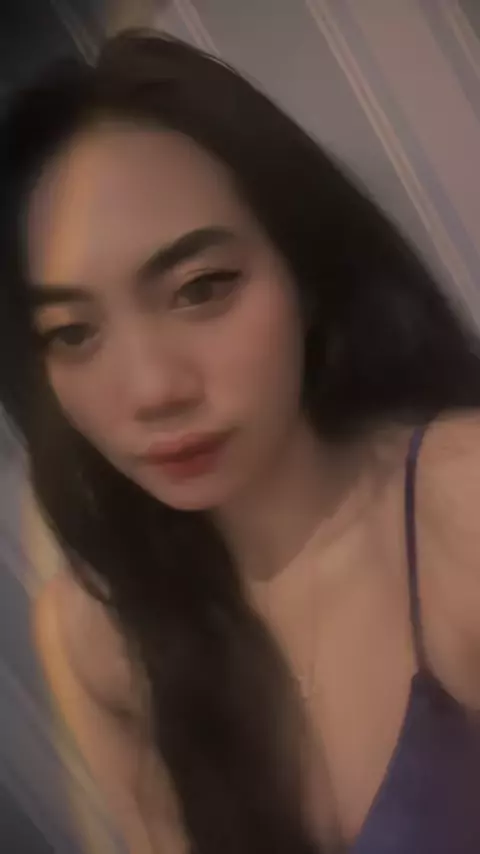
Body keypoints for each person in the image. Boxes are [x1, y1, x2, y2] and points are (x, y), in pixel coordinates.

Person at [2, 29, 480, 854]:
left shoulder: (460, 510)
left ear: (306, 273)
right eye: (73, 333)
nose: (152, 390)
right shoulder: (96, 636)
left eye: (202, 288)